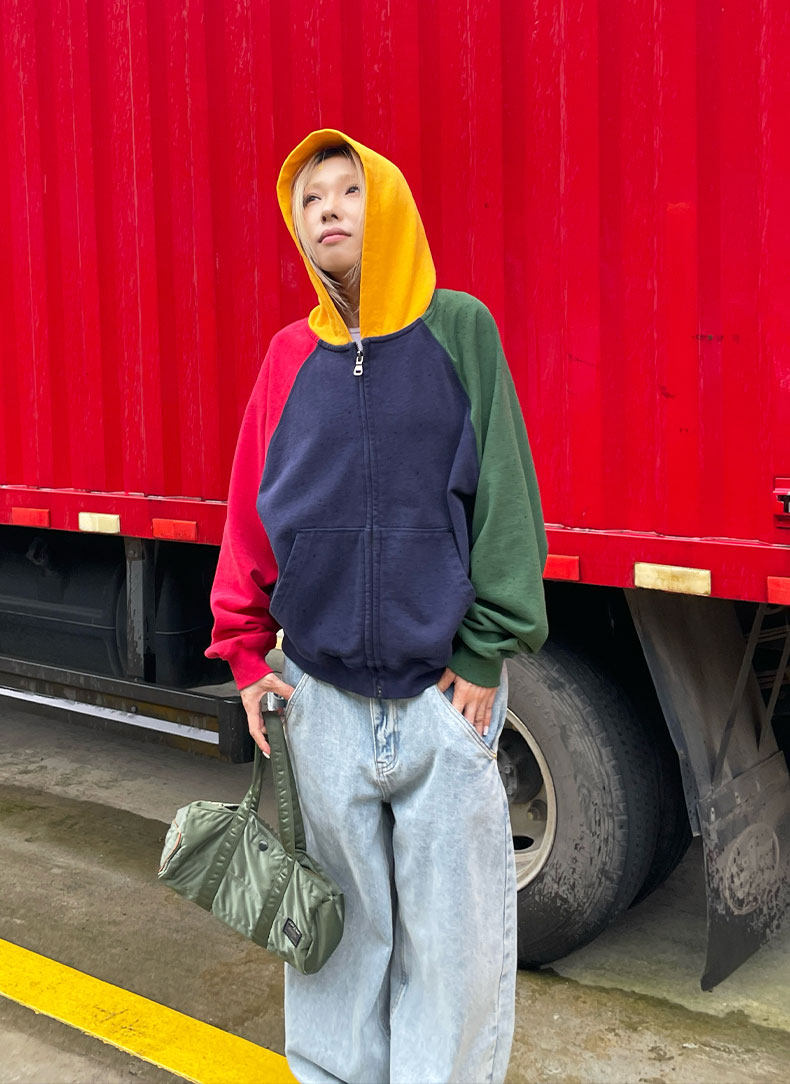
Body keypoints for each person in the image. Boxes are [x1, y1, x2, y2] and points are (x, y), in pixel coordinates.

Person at [205, 129, 548, 1084]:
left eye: (347, 189)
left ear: (385, 201)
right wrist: (246, 654)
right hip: (320, 701)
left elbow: (506, 497)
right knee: (337, 943)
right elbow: (251, 512)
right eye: (310, 198)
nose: (328, 208)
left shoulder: (460, 330)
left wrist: (483, 653)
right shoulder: (287, 358)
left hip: (442, 703)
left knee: (452, 951)